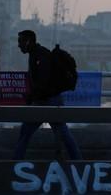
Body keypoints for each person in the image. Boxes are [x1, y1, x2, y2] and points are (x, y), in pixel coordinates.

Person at [13, 30, 82, 160]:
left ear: (28, 41)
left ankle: (14, 164)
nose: (19, 45)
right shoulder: (37, 54)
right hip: (49, 100)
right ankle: (78, 161)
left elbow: (42, 84)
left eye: (20, 41)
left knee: (26, 134)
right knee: (62, 134)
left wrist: (31, 96)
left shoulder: (39, 55)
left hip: (46, 101)